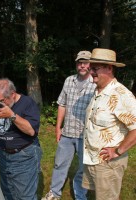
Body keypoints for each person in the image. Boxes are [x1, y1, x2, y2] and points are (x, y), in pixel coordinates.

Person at [81, 48, 136, 200]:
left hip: (108, 163)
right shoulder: (98, 91)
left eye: (95, 68)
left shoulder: (121, 95)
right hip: (92, 159)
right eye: (90, 68)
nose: (90, 72)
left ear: (109, 68)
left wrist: (118, 151)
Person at [42, 51, 96, 200]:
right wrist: (58, 127)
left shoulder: (96, 83)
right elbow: (62, 104)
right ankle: (54, 193)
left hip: (85, 136)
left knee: (83, 168)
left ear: (90, 64)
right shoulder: (69, 80)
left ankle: (80, 195)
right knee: (59, 164)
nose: (82, 65)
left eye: (85, 62)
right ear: (76, 64)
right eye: (80, 62)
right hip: (67, 133)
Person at [0, 78, 42, 200]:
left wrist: (12, 115)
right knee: (7, 192)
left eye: (2, 101)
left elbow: (31, 130)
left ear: (12, 94)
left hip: (23, 156)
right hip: (3, 155)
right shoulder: (1, 103)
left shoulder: (27, 103)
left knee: (25, 196)